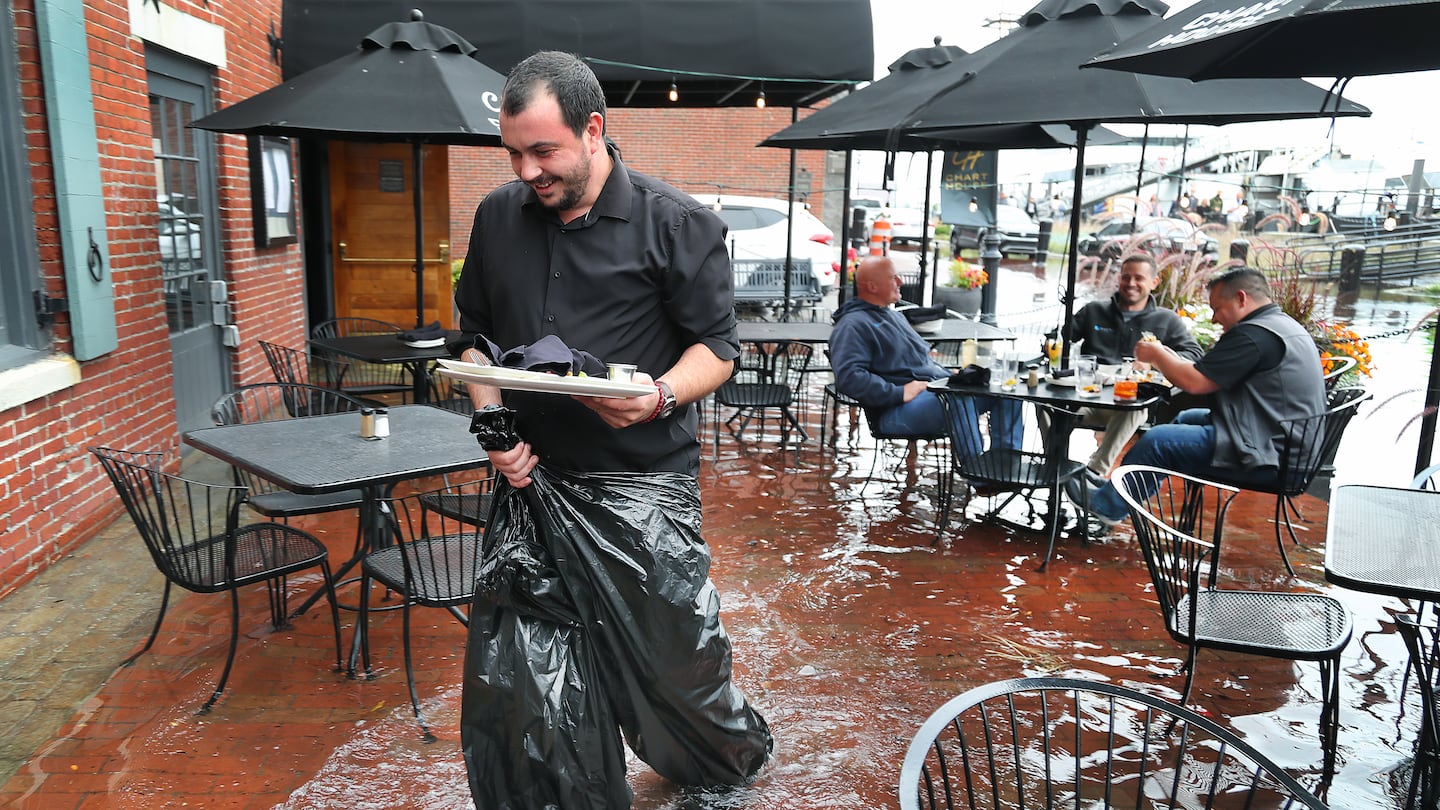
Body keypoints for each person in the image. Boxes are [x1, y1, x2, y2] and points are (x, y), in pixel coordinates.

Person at [452, 50, 771, 804]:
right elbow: (472, 341)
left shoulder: (679, 225)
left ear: (593, 130)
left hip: (642, 488)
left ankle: (724, 765)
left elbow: (718, 350)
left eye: (543, 151)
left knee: (674, 670)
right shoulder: (498, 217)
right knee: (529, 688)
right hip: (530, 488)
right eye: (513, 153)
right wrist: (493, 425)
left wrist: (659, 395)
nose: (527, 171)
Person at [1067, 267, 1325, 526]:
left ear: (1241, 299)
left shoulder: (1254, 335)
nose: (1213, 319)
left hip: (1273, 458)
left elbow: (1195, 383)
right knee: (1186, 418)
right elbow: (1203, 371)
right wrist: (1168, 355)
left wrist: (1157, 355)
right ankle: (1119, 491)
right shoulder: (1279, 325)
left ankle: (1108, 506)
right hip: (1281, 440)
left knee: (1158, 441)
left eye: (1217, 308)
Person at [828, 255, 1022, 460]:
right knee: (956, 399)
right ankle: (978, 474)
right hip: (894, 412)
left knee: (1006, 392)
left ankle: (1006, 466)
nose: (900, 282)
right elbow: (849, 377)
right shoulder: (852, 325)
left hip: (931, 396)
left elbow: (920, 363)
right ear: (873, 286)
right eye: (893, 278)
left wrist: (951, 376)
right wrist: (898, 392)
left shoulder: (894, 316)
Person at [1061, 254, 1202, 484]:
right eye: (1126, 277)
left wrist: (1158, 358)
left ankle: (1094, 473)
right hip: (1083, 400)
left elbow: (1194, 355)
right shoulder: (1094, 310)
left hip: (1122, 405)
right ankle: (1054, 463)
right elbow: (1061, 339)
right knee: (1045, 406)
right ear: (1119, 279)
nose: (1131, 283)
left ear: (1154, 282)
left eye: (1139, 278)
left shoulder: (1166, 320)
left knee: (1136, 408)